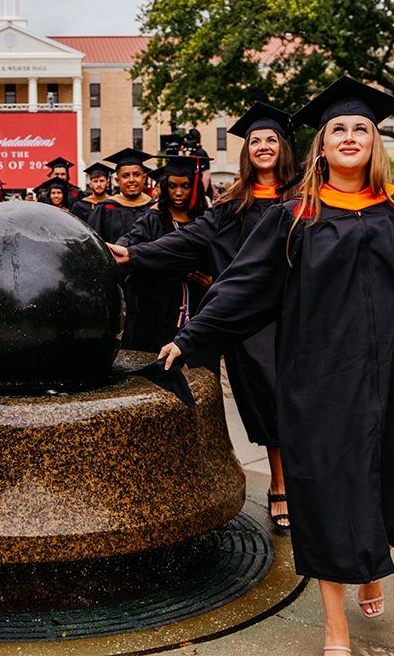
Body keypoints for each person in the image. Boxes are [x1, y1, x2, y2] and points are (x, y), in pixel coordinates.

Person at [154, 77, 394, 655]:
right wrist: (193, 337)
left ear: (376, 145)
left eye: (361, 130)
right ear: (321, 146)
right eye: (338, 129)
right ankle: (335, 627)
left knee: (390, 486)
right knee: (325, 497)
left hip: (392, 382)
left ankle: (372, 563)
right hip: (321, 384)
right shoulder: (294, 217)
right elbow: (244, 287)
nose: (349, 137)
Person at [108, 102, 299, 529]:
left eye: (271, 139)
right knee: (268, 398)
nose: (263, 146)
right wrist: (133, 253)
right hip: (254, 320)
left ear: (284, 149)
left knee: (310, 402)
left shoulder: (307, 198)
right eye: (255, 141)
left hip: (306, 313)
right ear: (247, 153)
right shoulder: (235, 203)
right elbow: (190, 239)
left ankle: (314, 483)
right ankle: (280, 484)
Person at [114, 156, 211, 352]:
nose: (178, 192)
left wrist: (213, 280)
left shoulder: (206, 220)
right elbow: (131, 241)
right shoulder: (153, 218)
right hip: (160, 306)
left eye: (185, 186)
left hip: (199, 303)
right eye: (172, 186)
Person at [88, 148, 155, 243]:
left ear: (144, 178)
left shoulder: (155, 208)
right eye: (125, 176)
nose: (131, 179)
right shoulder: (105, 209)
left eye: (136, 174)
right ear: (117, 181)